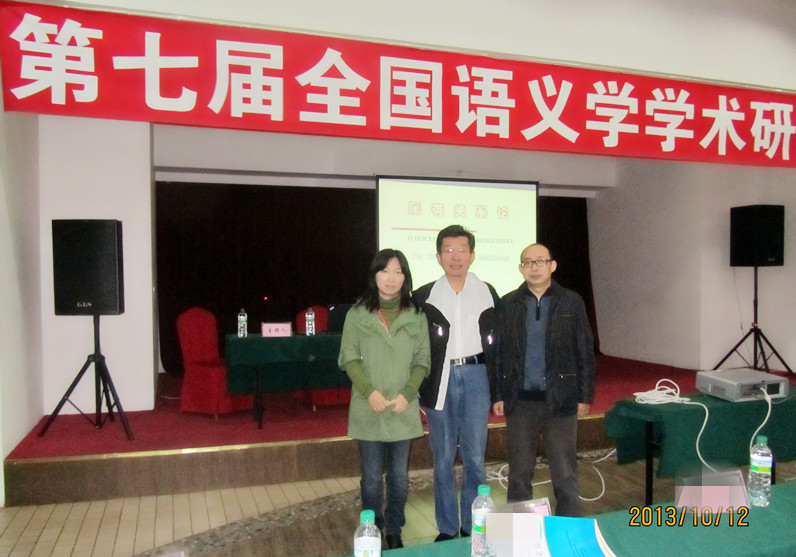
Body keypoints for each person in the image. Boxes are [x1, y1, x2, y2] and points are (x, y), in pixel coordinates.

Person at [492, 243, 595, 517]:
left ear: (552, 265)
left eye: (540, 261)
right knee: (518, 475)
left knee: (565, 473)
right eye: (528, 262)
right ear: (520, 268)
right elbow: (499, 352)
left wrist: (584, 395)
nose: (534, 267)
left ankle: (568, 529)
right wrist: (498, 394)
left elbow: (584, 351)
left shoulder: (571, 301)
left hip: (561, 400)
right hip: (520, 402)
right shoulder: (508, 303)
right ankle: (516, 533)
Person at [338, 248, 430, 550]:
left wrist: (407, 394)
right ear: (375, 275)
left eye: (398, 272)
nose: (392, 278)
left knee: (400, 477)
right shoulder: (357, 314)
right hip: (370, 407)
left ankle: (394, 529)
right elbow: (349, 358)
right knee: (371, 478)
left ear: (405, 277)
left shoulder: (416, 314)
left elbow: (422, 361)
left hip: (403, 407)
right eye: (385, 271)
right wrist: (370, 392)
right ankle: (373, 528)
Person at [412, 225, 499, 541]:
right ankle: (448, 527)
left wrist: (499, 389)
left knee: (475, 457)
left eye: (462, 250)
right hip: (440, 379)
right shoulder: (423, 296)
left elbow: (498, 344)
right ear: (438, 257)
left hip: (477, 375)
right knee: (443, 458)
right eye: (448, 250)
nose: (455, 256)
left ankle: (473, 524)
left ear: (472, 255)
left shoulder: (487, 291)